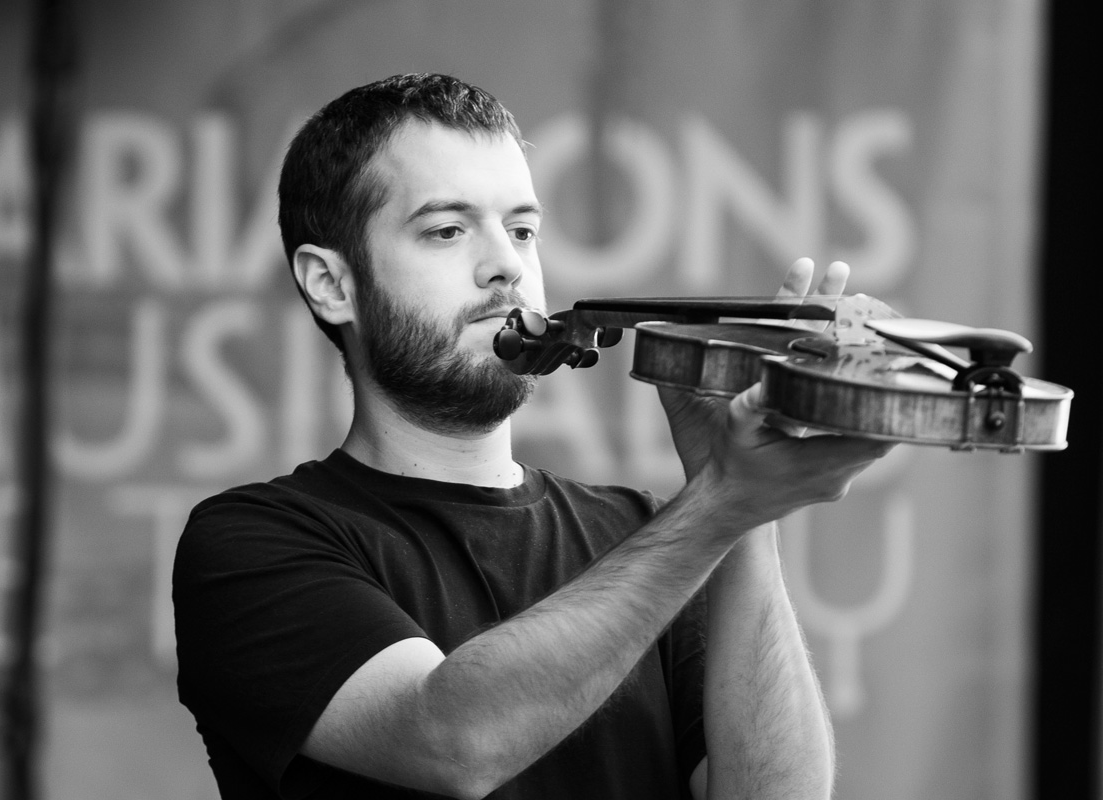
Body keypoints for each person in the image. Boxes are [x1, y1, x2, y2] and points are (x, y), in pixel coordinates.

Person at [173, 73, 892, 800]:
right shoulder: (249, 543)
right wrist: (718, 508)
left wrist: (744, 510)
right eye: (447, 230)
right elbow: (453, 743)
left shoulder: (650, 534)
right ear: (331, 284)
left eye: (521, 230)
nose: (508, 266)